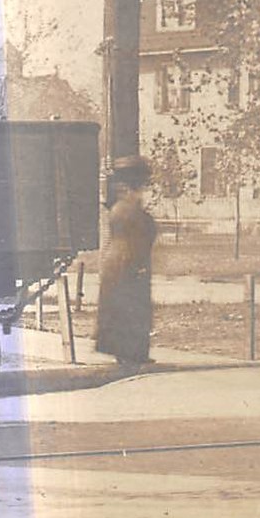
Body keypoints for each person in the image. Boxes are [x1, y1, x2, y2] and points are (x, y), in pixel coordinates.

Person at [94, 155, 158, 364]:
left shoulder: (123, 203)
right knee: (130, 306)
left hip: (120, 261)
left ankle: (131, 352)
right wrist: (137, 264)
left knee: (129, 306)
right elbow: (136, 236)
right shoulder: (127, 206)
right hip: (127, 261)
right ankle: (129, 353)